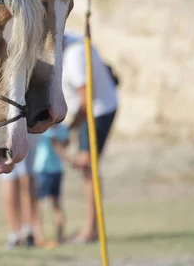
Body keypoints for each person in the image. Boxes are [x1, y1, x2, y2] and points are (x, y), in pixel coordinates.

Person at [62, 31, 118, 243]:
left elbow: (86, 100)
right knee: (86, 168)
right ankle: (92, 226)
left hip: (97, 111)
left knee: (87, 166)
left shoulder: (75, 53)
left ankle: (91, 229)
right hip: (86, 112)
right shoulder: (64, 45)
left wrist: (69, 130)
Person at [32, 123, 73, 245]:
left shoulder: (44, 129)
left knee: (38, 204)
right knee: (56, 203)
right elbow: (66, 143)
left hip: (43, 170)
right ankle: (60, 236)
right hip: (57, 170)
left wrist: (71, 161)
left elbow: (58, 147)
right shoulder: (63, 129)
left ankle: (38, 236)